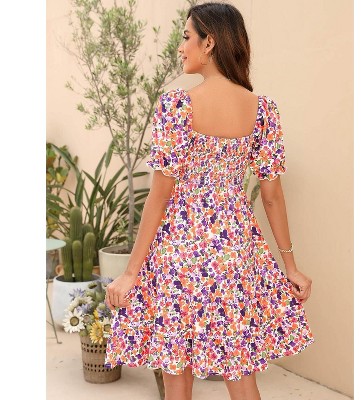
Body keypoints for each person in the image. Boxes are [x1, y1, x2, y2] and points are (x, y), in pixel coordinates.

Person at [104, 2, 314, 399]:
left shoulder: (176, 106)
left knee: (176, 370)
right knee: (240, 368)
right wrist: (290, 266)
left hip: (180, 252)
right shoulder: (263, 110)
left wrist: (131, 272)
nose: (180, 47)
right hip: (234, 252)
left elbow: (159, 196)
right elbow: (272, 196)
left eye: (186, 37)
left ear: (210, 42)